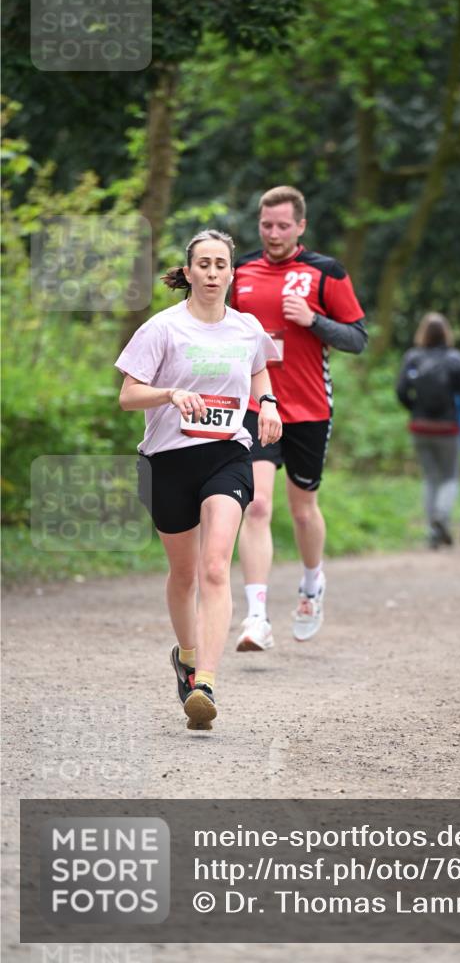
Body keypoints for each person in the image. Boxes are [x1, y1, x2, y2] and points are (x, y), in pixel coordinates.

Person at [115, 229, 282, 730]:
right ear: (188, 273)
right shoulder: (162, 328)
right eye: (203, 264)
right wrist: (169, 394)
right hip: (167, 461)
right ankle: (187, 657)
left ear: (232, 272)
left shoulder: (247, 328)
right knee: (184, 574)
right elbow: (128, 395)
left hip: (228, 455)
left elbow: (259, 369)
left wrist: (267, 403)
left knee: (214, 567)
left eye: (220, 264)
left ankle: (204, 683)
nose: (212, 273)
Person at [230, 186, 367, 650]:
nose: (273, 234)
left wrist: (314, 321)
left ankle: (311, 585)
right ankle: (256, 618)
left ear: (301, 226)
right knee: (256, 505)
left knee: (303, 510)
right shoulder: (241, 271)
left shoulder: (326, 272)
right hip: (256, 404)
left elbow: (357, 339)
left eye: (283, 226)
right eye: (266, 225)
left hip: (309, 408)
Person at [396, 312, 460, 548]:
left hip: (420, 427)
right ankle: (441, 515)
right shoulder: (456, 359)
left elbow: (401, 391)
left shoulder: (412, 357)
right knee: (450, 477)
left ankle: (433, 532)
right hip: (448, 428)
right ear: (447, 333)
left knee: (430, 479)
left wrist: (414, 410)